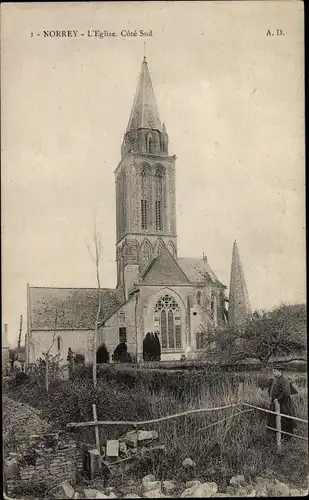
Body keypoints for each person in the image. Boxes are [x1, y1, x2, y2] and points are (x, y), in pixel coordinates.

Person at [267, 367, 296, 440]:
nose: (273, 372)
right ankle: (277, 435)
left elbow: (286, 393)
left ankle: (287, 437)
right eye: (272, 371)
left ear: (280, 371)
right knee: (274, 418)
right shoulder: (276, 380)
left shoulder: (284, 380)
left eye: (274, 371)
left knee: (285, 418)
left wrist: (278, 400)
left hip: (284, 403)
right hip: (276, 402)